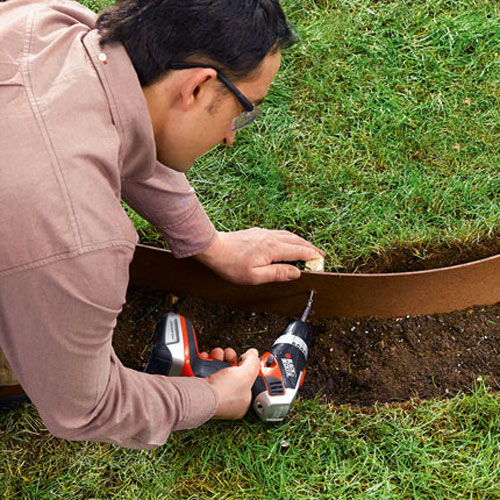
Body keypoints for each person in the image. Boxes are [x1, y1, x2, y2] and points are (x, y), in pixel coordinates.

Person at [0, 0, 322, 449]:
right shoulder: (78, 239)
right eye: (243, 110)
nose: (231, 135)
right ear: (197, 88)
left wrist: (209, 244)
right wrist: (211, 396)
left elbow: (129, 124)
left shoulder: (44, 21)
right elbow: (86, 408)